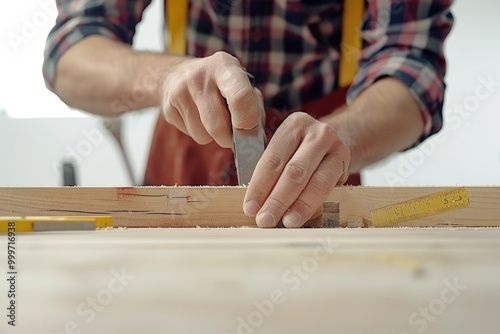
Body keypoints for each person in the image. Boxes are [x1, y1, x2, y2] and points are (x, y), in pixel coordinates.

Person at [42, 0, 454, 228]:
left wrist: (342, 137)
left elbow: (412, 65)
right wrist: (168, 77)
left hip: (325, 155)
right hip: (189, 142)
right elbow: (71, 55)